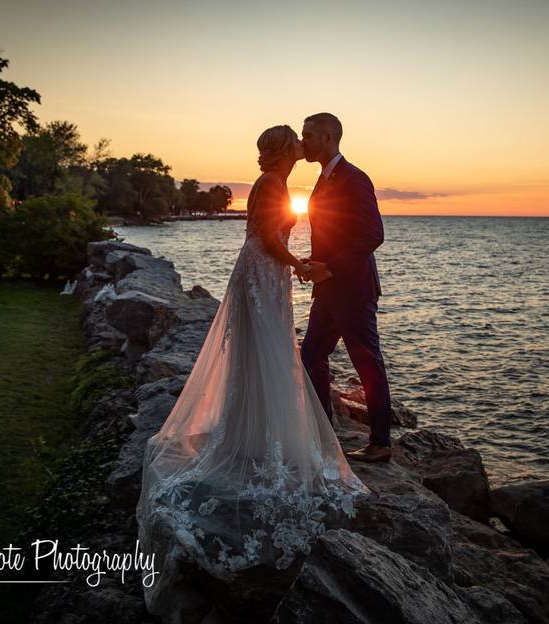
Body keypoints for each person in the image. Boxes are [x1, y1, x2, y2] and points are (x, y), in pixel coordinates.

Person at [136, 125, 370, 610]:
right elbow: (266, 237)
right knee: (267, 354)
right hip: (264, 273)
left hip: (267, 275)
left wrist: (295, 265)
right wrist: (301, 265)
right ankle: (255, 437)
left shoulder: (275, 183)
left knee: (267, 354)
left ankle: (253, 433)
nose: (302, 147)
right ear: (286, 150)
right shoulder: (273, 185)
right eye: (297, 142)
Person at [295, 112, 394, 463]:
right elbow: (334, 232)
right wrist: (313, 262)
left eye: (307, 135)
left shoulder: (354, 178)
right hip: (328, 291)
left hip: (352, 291)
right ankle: (324, 434)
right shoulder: (323, 179)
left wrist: (330, 267)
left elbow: (372, 234)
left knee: (367, 362)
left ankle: (381, 442)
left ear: (327, 138)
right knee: (310, 356)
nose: (302, 140)